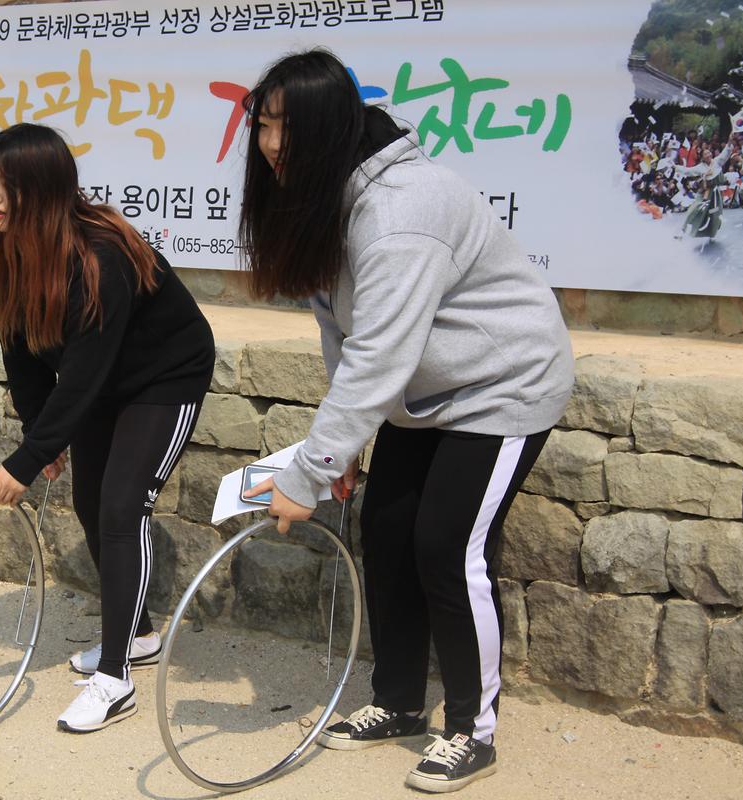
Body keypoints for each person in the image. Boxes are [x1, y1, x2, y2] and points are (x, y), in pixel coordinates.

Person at [237, 50, 574, 793]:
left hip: (503, 385)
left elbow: (380, 352)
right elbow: (341, 329)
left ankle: (472, 730)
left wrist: (311, 471)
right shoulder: (322, 193)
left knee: (447, 548)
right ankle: (398, 703)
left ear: (335, 127)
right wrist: (347, 445)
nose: (271, 144)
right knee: (387, 535)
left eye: (288, 126)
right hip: (423, 393)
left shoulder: (401, 212)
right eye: (262, 124)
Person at [0, 123, 215, 732]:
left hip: (164, 377)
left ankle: (114, 680)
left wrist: (28, 459)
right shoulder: (8, 250)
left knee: (122, 507)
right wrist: (40, 431)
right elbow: (22, 354)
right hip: (105, 378)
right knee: (89, 501)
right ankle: (138, 637)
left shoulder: (99, 257)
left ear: (45, 190)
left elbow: (81, 376)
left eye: (8, 185)